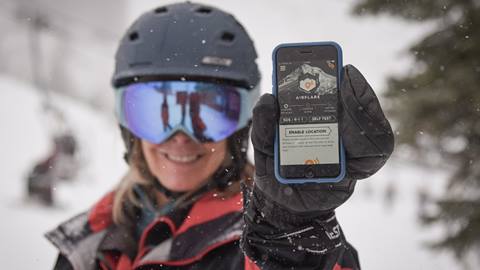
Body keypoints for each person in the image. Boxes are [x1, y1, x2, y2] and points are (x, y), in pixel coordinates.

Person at [45, 2, 394, 269]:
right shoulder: (88, 242)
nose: (181, 136)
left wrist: (292, 239)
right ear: (128, 126)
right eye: (156, 111)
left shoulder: (262, 242)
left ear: (243, 124)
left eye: (209, 111)